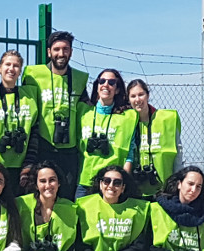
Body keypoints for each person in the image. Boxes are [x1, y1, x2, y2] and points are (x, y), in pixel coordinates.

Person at [21, 31, 89, 200]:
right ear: (49, 52)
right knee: (37, 195)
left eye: (65, 49)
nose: (61, 53)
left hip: (69, 149)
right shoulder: (33, 74)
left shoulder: (79, 79)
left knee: (66, 195)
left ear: (71, 52)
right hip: (42, 146)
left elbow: (89, 109)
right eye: (57, 49)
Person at [0, 50, 39, 196]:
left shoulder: (30, 96)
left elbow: (34, 133)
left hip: (21, 168)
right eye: (7, 64)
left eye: (16, 66)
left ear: (20, 72)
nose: (11, 69)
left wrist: (28, 167)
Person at [76, 69, 138, 198]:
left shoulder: (128, 117)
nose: (106, 85)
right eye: (102, 81)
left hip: (111, 183)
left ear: (117, 89)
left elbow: (129, 153)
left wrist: (123, 181)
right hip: (85, 180)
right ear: (97, 86)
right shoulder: (83, 111)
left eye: (111, 82)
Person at [126, 79, 183, 198]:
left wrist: (178, 181)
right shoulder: (125, 123)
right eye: (133, 96)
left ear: (148, 95)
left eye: (141, 94)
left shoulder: (167, 119)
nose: (138, 100)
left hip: (164, 189)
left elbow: (178, 152)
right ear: (129, 99)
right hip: (136, 190)